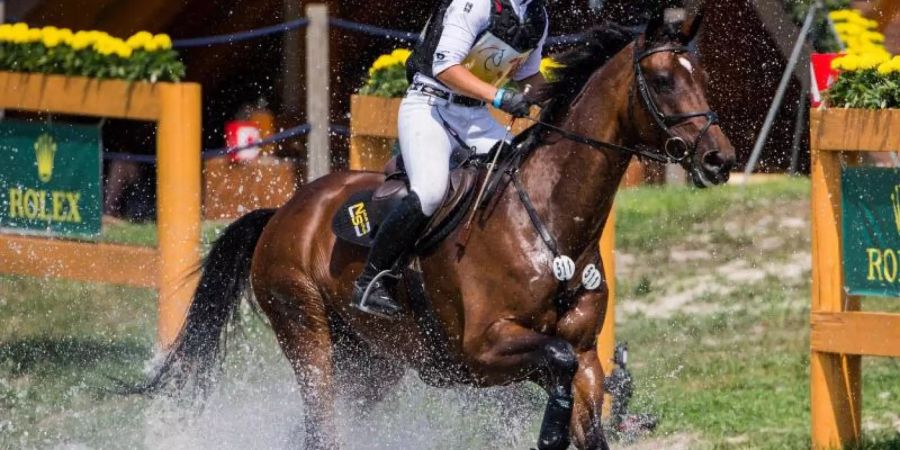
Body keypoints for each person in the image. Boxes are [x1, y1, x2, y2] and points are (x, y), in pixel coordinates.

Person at [352, 0, 551, 317]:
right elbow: (445, 68)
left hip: (476, 116)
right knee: (430, 192)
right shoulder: (475, 4)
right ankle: (372, 280)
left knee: (521, 177)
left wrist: (564, 94)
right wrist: (499, 96)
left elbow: (530, 76)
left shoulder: (536, 16)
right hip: (430, 106)